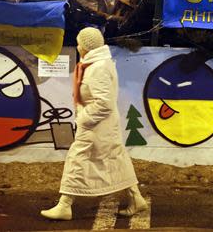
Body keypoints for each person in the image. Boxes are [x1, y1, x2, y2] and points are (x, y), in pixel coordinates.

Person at [40, 27, 147, 220]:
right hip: (102, 126)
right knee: (116, 159)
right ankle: (136, 198)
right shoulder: (95, 64)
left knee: (77, 159)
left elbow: (104, 103)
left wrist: (83, 119)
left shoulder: (98, 68)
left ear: (87, 47)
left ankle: (65, 206)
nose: (78, 46)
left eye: (80, 43)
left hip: (95, 126)